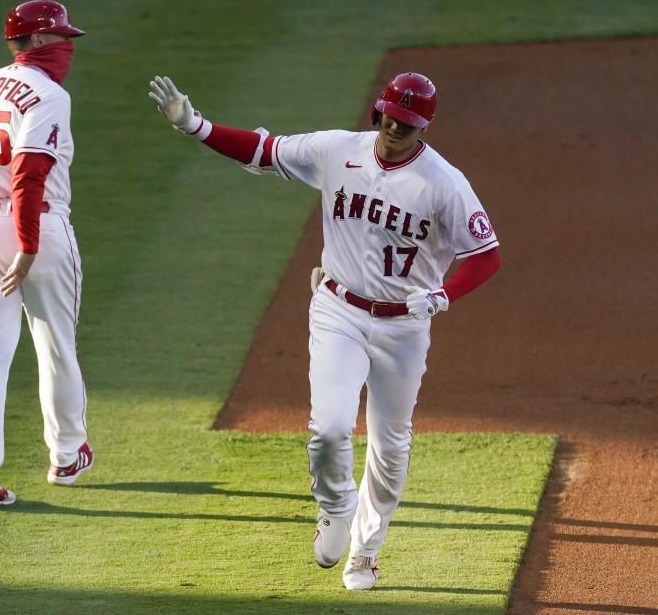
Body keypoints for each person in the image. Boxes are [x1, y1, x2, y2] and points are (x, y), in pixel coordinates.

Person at [148, 73, 500, 589]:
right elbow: (265, 150)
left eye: (407, 123)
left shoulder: (444, 184)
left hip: (403, 325)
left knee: (391, 445)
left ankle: (366, 551)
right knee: (330, 428)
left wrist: (444, 294)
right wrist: (196, 126)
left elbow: (485, 255)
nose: (395, 128)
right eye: (389, 117)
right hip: (338, 311)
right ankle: (336, 506)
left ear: (423, 126)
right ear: (377, 111)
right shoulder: (338, 150)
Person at [0, 0, 93, 511]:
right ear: (35, 42)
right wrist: (28, 245)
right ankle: (66, 454)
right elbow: (29, 173)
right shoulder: (49, 94)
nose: (68, 47)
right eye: (60, 38)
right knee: (56, 342)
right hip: (31, 224)